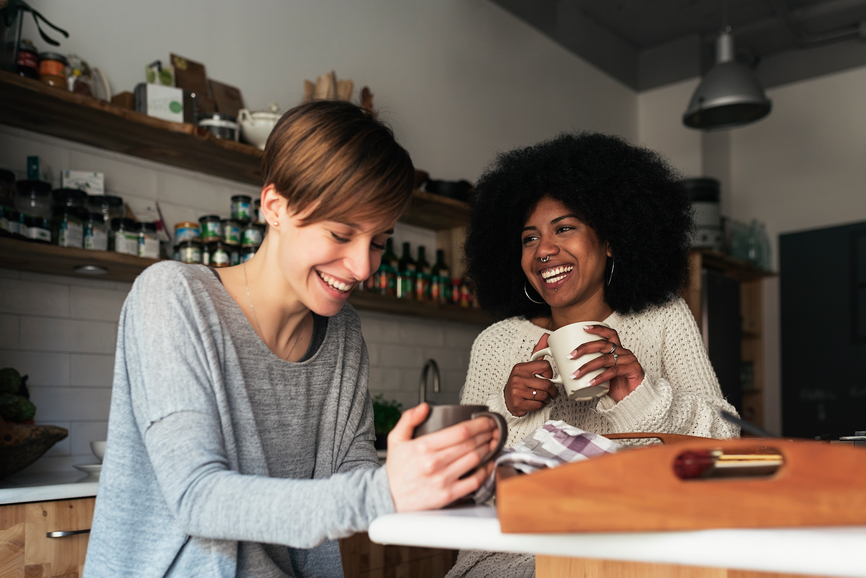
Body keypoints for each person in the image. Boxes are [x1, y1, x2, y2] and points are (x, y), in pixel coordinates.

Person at [83, 100, 499, 578]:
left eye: (379, 242)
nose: (363, 267)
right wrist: (386, 489)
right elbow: (197, 498)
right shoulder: (174, 298)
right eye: (341, 234)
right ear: (275, 207)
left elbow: (353, 481)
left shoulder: (342, 335)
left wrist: (439, 476)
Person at [448, 132, 739, 578]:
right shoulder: (495, 344)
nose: (544, 250)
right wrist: (508, 411)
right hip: (517, 550)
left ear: (610, 240)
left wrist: (642, 399)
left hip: (638, 540)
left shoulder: (662, 319)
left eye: (565, 228)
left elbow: (726, 445)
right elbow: (462, 481)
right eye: (529, 238)